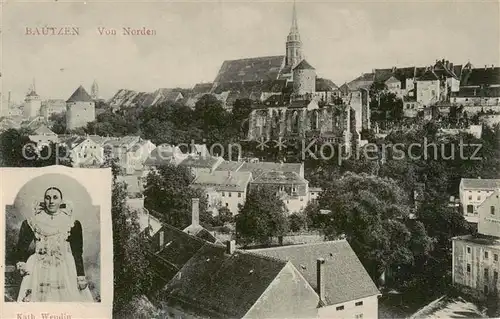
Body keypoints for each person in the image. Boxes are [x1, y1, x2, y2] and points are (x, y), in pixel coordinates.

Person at [15, 187, 94, 302]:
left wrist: (80, 275)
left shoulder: (72, 223)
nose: (51, 201)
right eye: (48, 198)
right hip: (38, 265)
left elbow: (77, 252)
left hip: (64, 265)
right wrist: (21, 264)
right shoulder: (32, 222)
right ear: (44, 200)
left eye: (55, 198)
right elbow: (21, 248)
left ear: (61, 201)